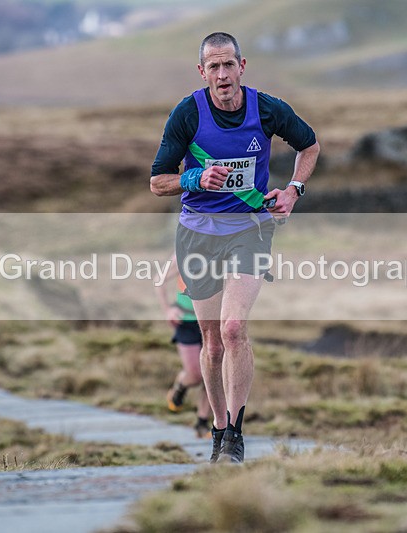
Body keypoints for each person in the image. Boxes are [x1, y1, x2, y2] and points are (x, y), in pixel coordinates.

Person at [150, 32, 320, 463]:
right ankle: (218, 429)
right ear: (202, 71)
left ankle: (235, 436)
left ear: (242, 67)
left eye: (229, 65)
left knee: (232, 329)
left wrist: (294, 190)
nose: (222, 75)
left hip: (250, 229)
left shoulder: (266, 108)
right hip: (197, 233)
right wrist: (195, 179)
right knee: (211, 342)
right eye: (214, 67)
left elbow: (309, 144)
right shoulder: (187, 114)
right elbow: (157, 182)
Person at [154, 252, 212, 438]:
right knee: (195, 374)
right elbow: (159, 280)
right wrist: (167, 311)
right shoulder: (184, 252)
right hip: (187, 321)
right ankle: (180, 387)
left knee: (212, 374)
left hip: (213, 321)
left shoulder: (225, 247)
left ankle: (202, 423)